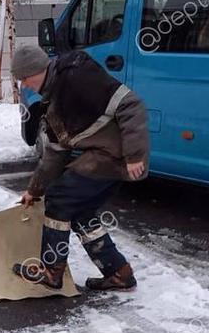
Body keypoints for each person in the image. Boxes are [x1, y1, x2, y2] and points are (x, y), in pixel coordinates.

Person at [10, 44, 150, 292]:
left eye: (25, 78)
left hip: (114, 155)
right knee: (81, 213)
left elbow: (132, 105)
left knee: (59, 199)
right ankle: (119, 273)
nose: (25, 85)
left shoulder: (76, 77)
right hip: (103, 156)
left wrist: (135, 154)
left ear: (39, 69)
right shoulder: (52, 104)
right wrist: (33, 190)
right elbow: (53, 156)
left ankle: (51, 271)